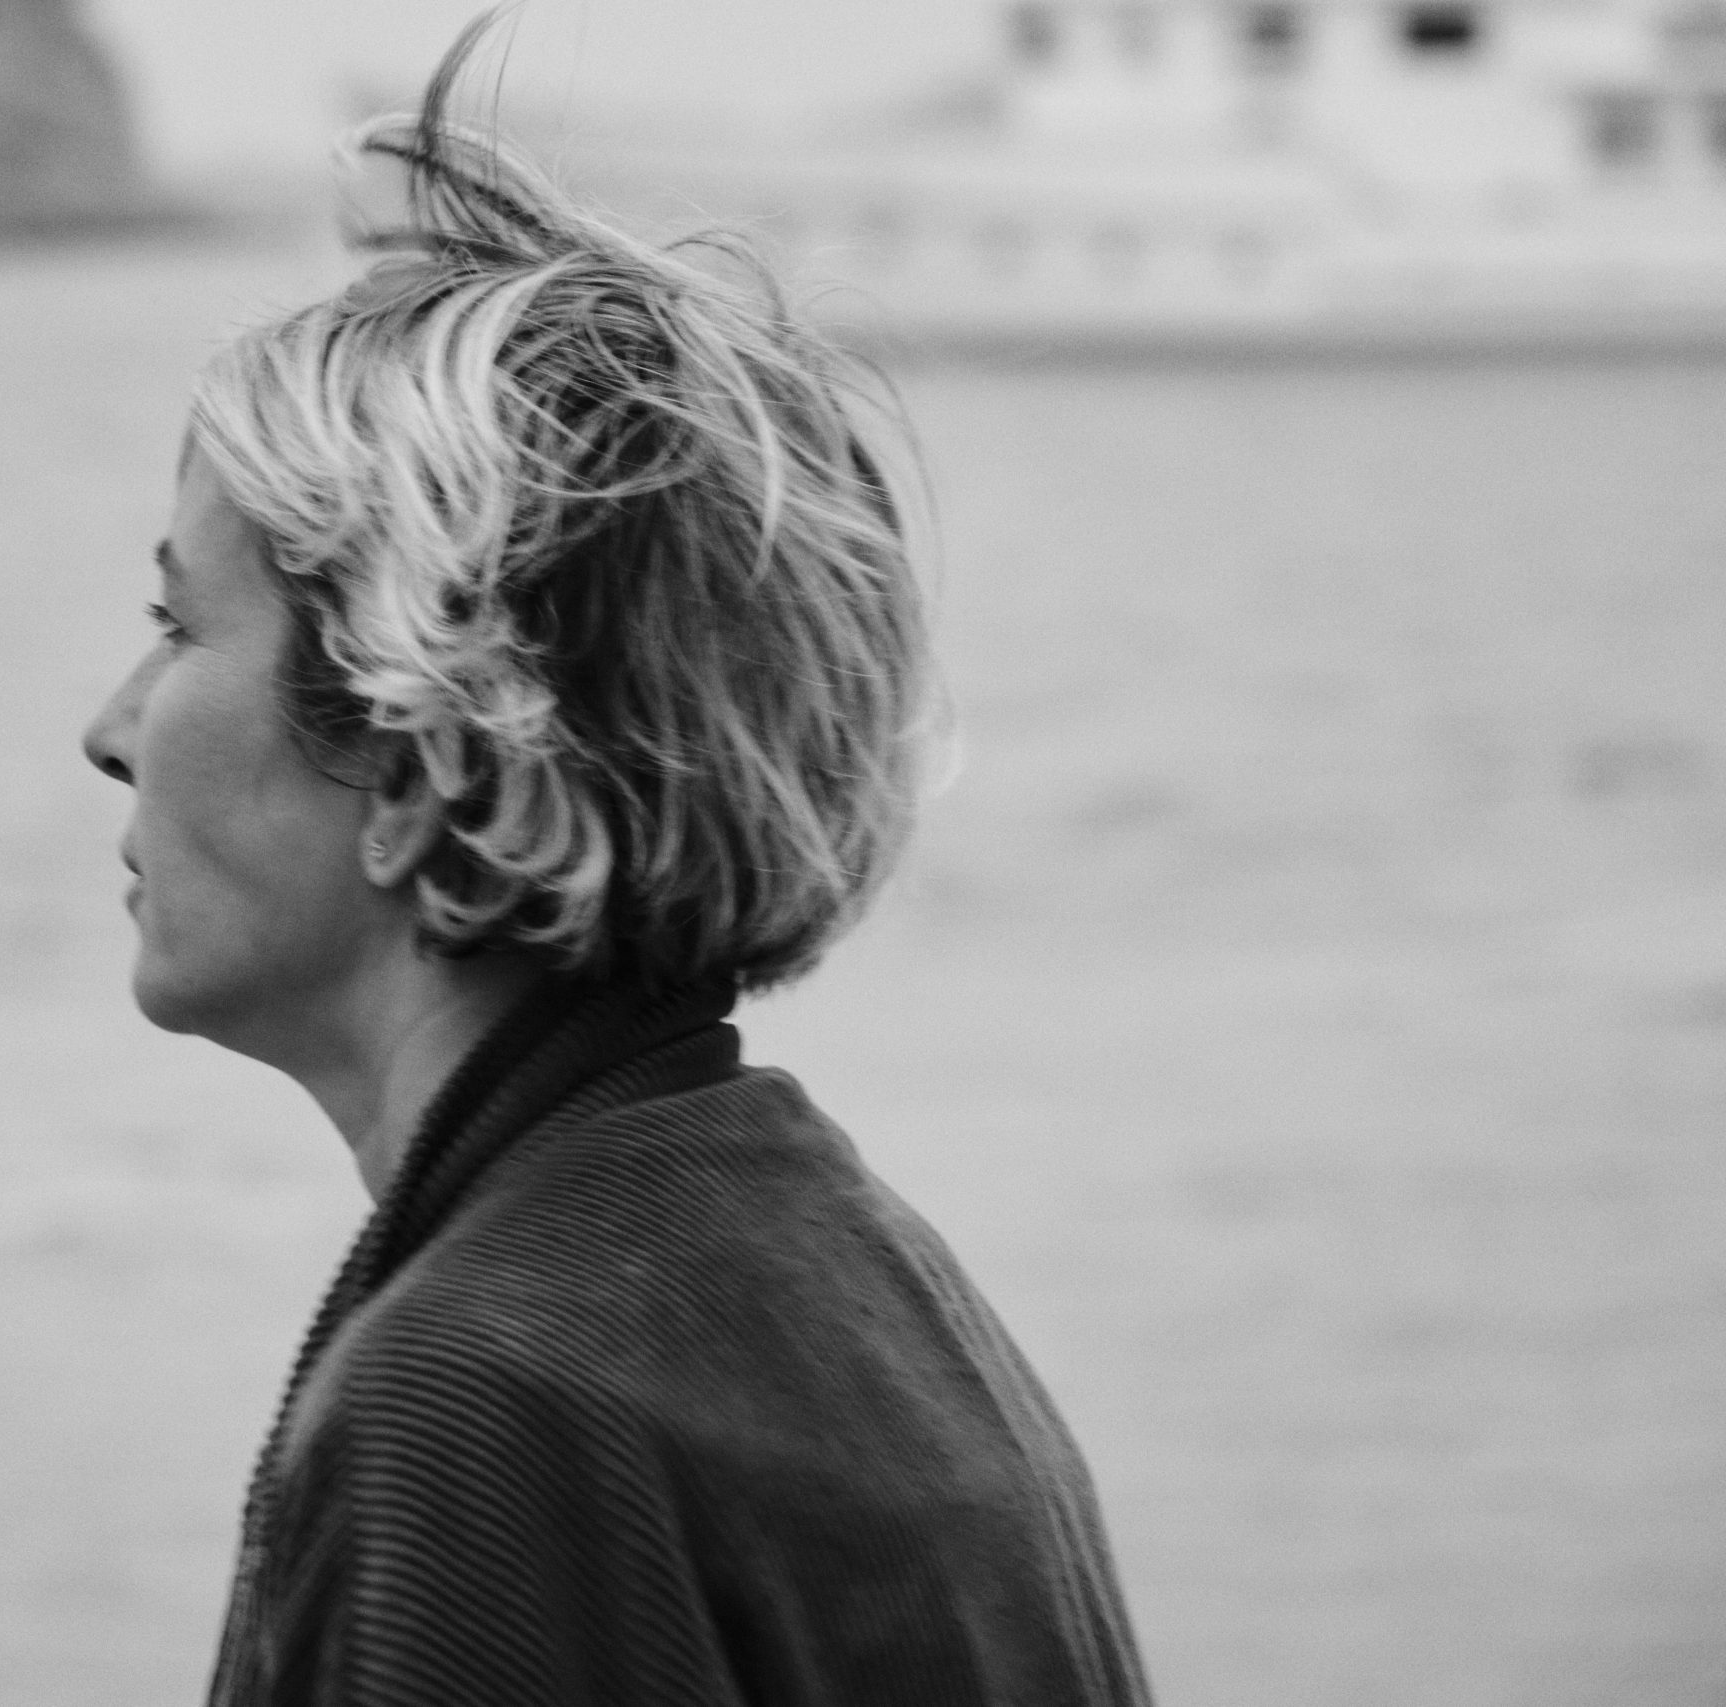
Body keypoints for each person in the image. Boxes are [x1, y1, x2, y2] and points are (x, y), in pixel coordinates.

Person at [81, 26, 1151, 1707]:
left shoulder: (486, 1403)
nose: (111, 729)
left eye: (177, 625)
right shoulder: (847, 1274)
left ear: (419, 754)